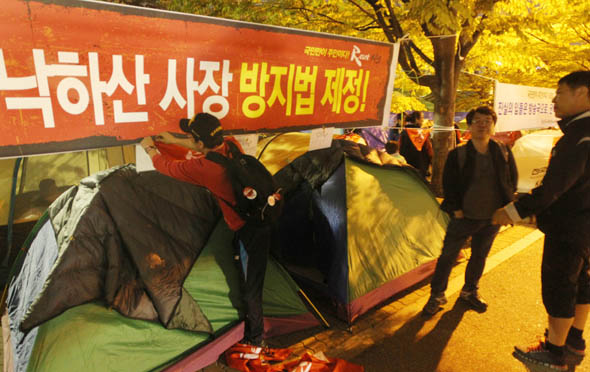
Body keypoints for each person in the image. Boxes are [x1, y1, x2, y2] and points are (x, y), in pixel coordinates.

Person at [140, 112, 270, 346]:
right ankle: (252, 329)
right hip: (255, 218)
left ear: (200, 144)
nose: (188, 140)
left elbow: (167, 167)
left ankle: (255, 340)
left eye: (191, 138)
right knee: (247, 272)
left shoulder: (205, 168)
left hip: (251, 230)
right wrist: (174, 140)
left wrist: (150, 148)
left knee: (252, 287)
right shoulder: (231, 144)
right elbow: (200, 145)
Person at [492, 71, 590, 371]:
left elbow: (555, 187)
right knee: (583, 283)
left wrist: (512, 211)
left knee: (560, 286)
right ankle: (575, 338)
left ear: (582, 93)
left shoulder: (580, 135)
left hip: (568, 228)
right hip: (585, 228)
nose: (554, 100)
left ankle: (554, 352)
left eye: (560, 92)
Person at [422, 105, 518, 317]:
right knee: (447, 257)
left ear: (493, 126)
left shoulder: (503, 150)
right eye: (478, 121)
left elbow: (512, 181)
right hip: (463, 217)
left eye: (487, 122)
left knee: (479, 256)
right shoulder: (458, 154)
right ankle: (437, 295)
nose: (483, 125)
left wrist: (507, 209)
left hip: (492, 218)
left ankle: (469, 291)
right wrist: (456, 210)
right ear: (470, 126)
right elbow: (450, 184)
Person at [399, 111, 433, 179]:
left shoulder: (404, 132)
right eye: (422, 118)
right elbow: (429, 150)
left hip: (407, 166)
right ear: (417, 119)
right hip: (421, 166)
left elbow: (400, 148)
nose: (423, 120)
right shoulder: (423, 133)